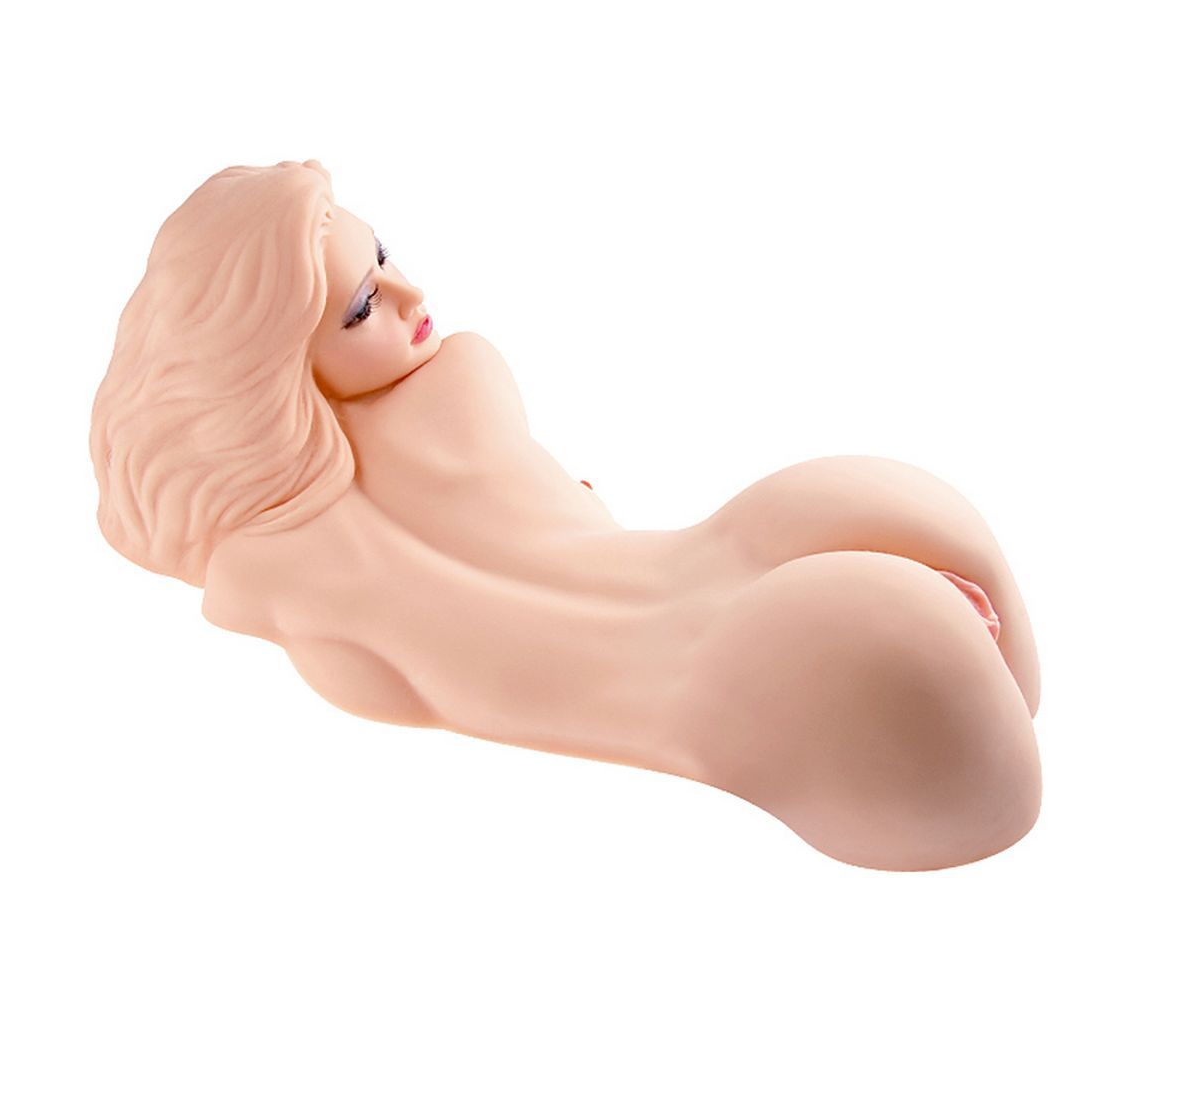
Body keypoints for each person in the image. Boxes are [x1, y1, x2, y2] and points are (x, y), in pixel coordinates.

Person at [90, 160, 1043, 872]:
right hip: (728, 645)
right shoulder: (461, 384)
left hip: (718, 647)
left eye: (385, 257)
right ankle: (951, 675)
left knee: (879, 584)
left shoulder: (271, 571)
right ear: (269, 369)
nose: (413, 295)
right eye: (363, 307)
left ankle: (943, 669)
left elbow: (404, 676)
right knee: (881, 533)